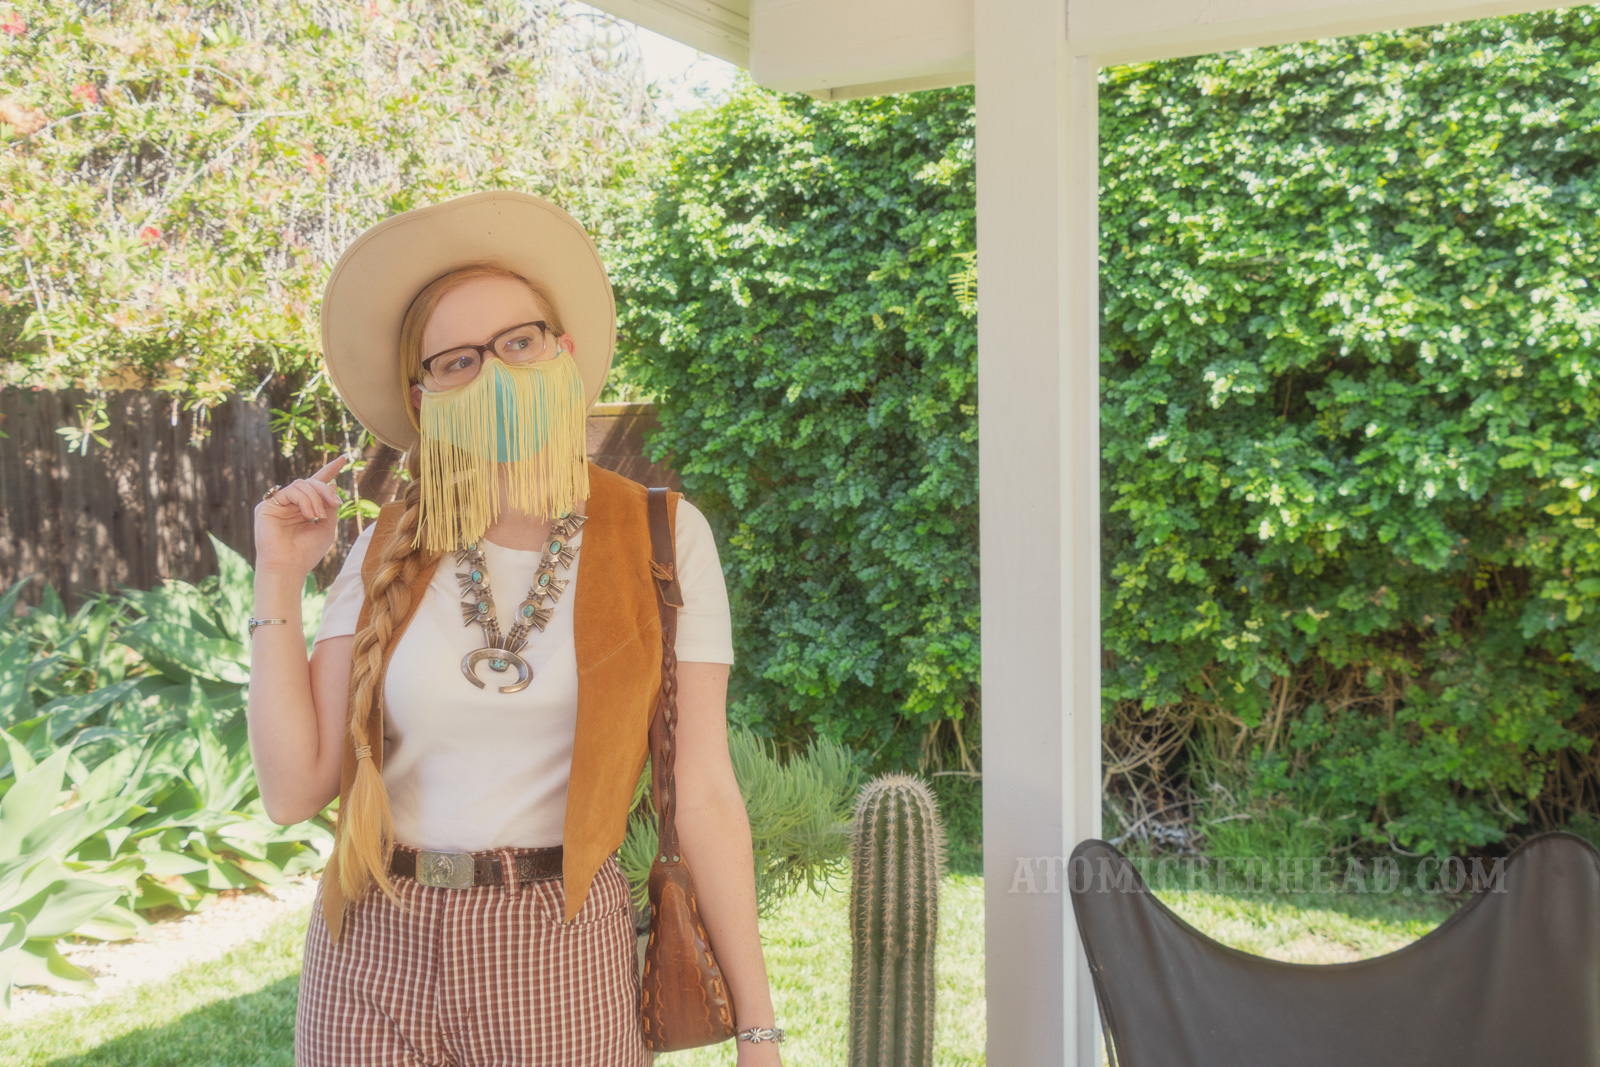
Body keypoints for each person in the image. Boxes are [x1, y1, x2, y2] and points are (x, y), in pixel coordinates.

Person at [245, 190, 786, 1066]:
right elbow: (293, 789)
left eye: (519, 341)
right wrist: (277, 576)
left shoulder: (659, 535)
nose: (494, 372)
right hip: (372, 946)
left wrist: (756, 1032)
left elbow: (705, 793)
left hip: (556, 945)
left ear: (563, 351)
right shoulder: (389, 542)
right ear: (425, 400)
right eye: (457, 360)